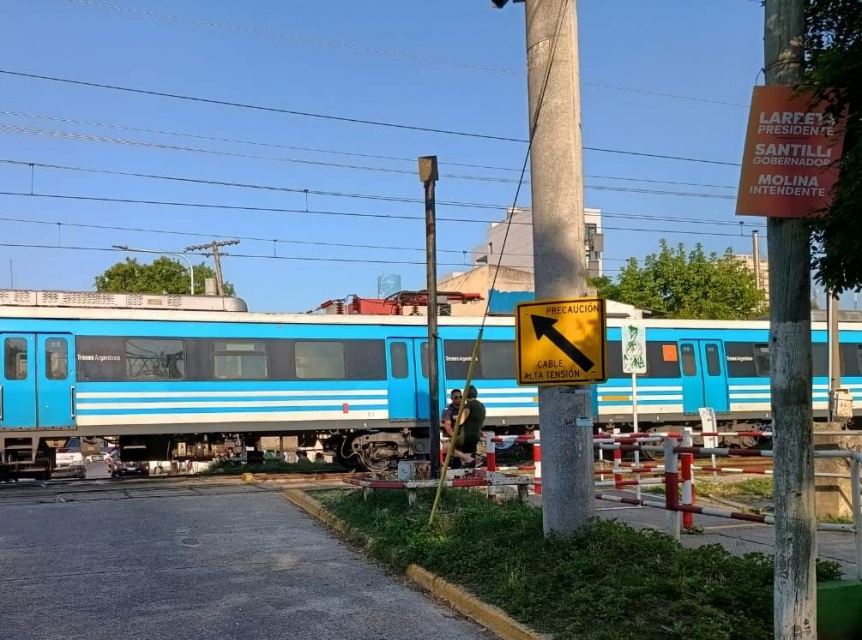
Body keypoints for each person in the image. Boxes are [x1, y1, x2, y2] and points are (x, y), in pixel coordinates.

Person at [454, 385, 486, 467]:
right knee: (468, 460)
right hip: (477, 435)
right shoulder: (481, 405)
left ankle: (470, 460)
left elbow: (461, 421)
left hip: (466, 436)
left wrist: (455, 417)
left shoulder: (469, 405)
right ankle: (471, 462)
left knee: (446, 447)